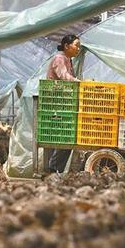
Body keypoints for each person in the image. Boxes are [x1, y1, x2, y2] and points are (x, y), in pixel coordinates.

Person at [46, 34, 80, 173]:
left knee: (65, 138)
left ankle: (54, 169)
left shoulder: (67, 59)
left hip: (62, 101)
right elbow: (64, 77)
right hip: (56, 102)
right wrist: (80, 82)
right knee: (65, 137)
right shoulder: (59, 58)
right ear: (66, 46)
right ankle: (52, 169)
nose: (78, 48)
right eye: (76, 45)